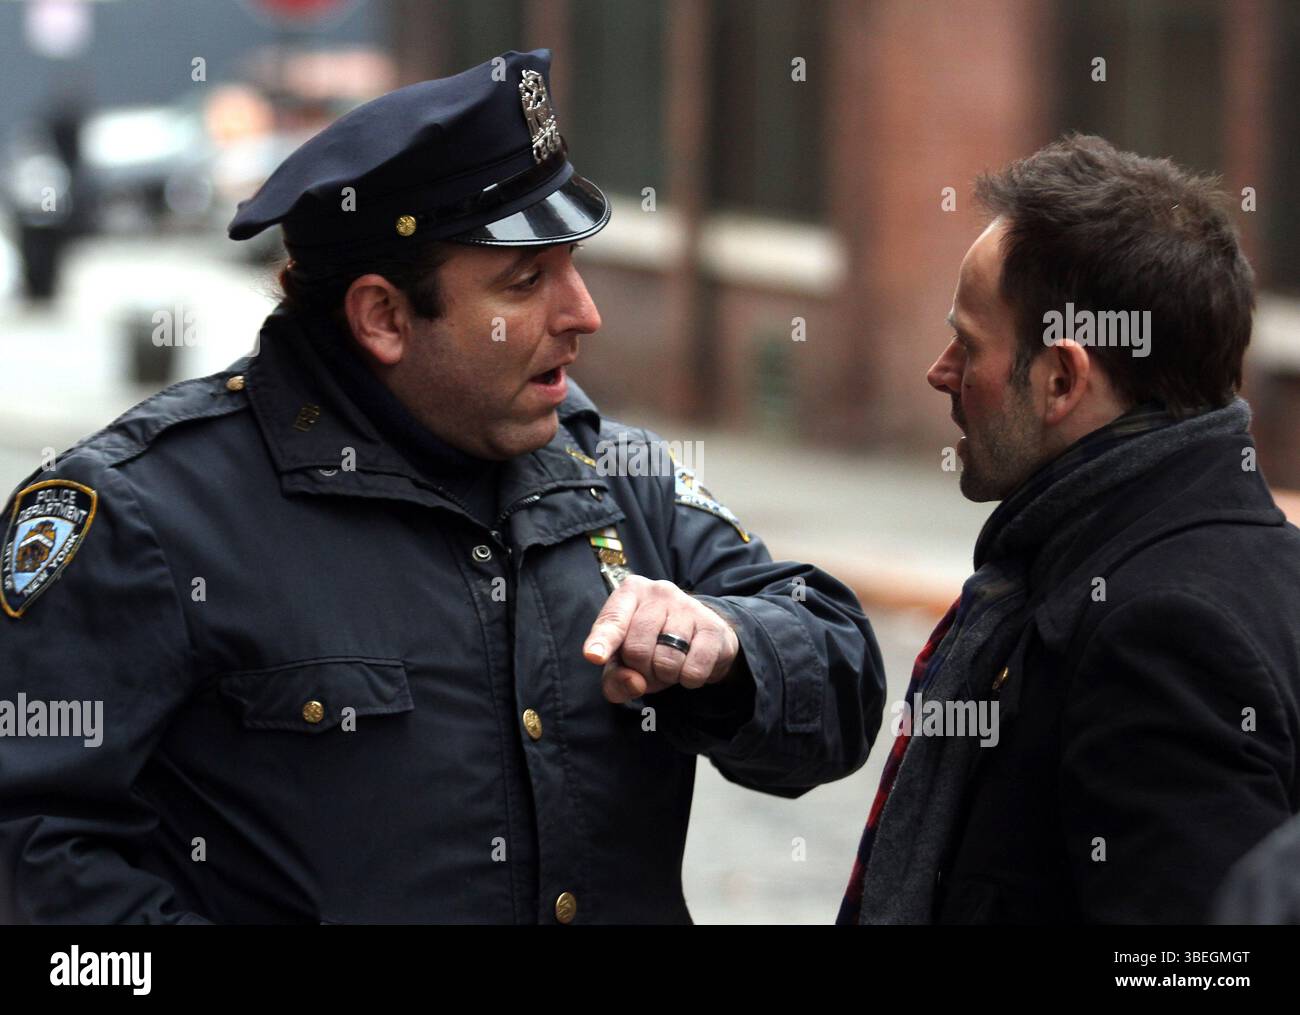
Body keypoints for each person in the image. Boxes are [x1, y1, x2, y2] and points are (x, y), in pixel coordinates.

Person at [0, 49, 884, 925]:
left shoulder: (614, 472)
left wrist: (730, 648)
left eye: (572, 264)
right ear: (383, 316)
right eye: (526, 281)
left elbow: (839, 678)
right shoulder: (141, 511)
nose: (583, 313)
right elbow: (32, 847)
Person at [837, 134, 1300, 925]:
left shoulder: (1159, 635)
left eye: (970, 343)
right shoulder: (1168, 561)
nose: (940, 371)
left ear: (1061, 379)